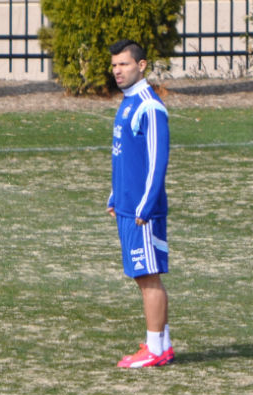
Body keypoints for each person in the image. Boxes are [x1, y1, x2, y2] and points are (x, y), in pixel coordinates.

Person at [106, 39, 173, 368]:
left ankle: (155, 349)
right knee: (142, 275)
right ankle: (162, 342)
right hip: (128, 207)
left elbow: (157, 160)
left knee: (149, 276)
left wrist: (145, 206)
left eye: (124, 65)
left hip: (142, 212)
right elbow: (125, 157)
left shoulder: (150, 106)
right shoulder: (128, 103)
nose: (117, 71)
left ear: (142, 65)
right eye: (115, 65)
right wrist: (115, 195)